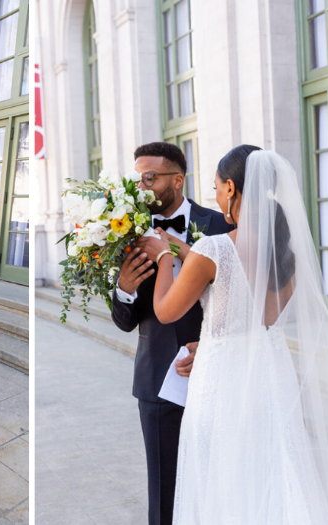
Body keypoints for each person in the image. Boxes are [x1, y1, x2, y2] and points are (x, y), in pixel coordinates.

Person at [141, 146, 328, 524]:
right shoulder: (287, 253)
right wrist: (190, 257)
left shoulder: (213, 249)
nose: (216, 195)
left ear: (232, 189)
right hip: (271, 377)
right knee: (271, 469)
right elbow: (258, 320)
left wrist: (164, 256)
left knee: (222, 475)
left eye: (217, 187)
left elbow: (165, 310)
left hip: (221, 383)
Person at [111, 142, 232, 525]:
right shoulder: (123, 231)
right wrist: (123, 288)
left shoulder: (221, 225)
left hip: (218, 373)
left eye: (151, 177)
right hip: (157, 379)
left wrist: (216, 347)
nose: (141, 187)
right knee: (164, 492)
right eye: (137, 179)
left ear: (176, 180)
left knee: (219, 483)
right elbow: (124, 321)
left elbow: (242, 297)